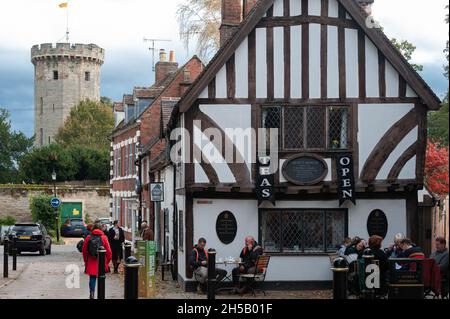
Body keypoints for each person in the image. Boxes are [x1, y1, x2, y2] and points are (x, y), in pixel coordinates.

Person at [82, 222, 112, 299]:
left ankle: (92, 292)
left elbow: (84, 250)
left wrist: (86, 261)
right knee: (101, 278)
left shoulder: (88, 237)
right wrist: (107, 261)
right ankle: (101, 293)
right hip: (101, 261)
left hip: (91, 260)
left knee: (92, 278)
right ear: (101, 228)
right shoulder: (104, 237)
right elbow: (109, 251)